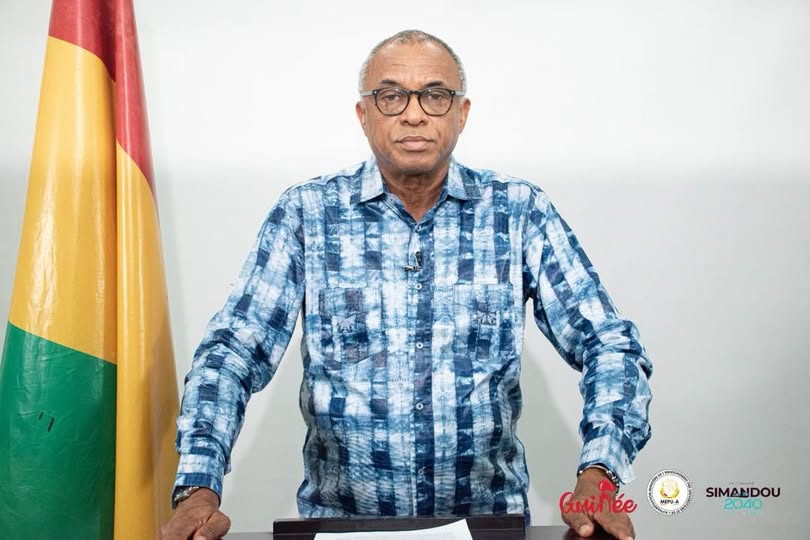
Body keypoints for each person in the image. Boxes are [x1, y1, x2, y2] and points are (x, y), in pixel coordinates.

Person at [160, 30, 652, 540]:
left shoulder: (518, 212)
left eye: (435, 96)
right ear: (363, 115)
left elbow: (609, 344)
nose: (414, 114)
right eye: (391, 96)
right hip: (343, 528)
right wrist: (199, 485)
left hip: (488, 527)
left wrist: (601, 471)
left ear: (461, 113)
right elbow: (233, 353)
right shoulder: (306, 214)